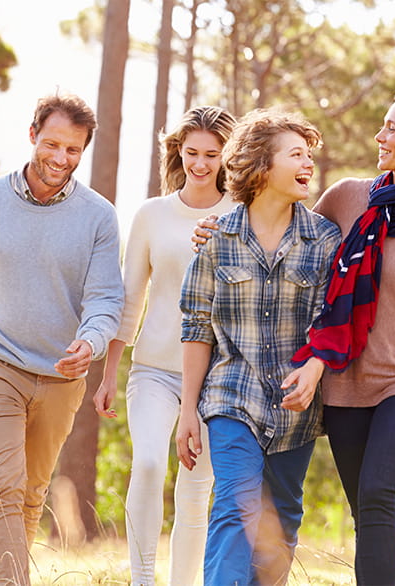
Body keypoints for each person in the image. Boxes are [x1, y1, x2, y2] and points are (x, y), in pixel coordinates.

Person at [192, 88, 395, 584]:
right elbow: (281, 225)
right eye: (383, 124)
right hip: (345, 382)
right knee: (363, 508)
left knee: (377, 493)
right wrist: (217, 228)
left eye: (392, 128)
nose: (380, 135)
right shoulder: (348, 198)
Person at [0, 93, 123, 586]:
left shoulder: (99, 216)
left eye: (73, 149)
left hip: (61, 373)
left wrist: (91, 343)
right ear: (33, 135)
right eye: (52, 144)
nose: (60, 158)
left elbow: (105, 299)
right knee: (3, 486)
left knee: (31, 495)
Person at [173, 108, 343, 586]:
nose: (308, 164)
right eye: (296, 155)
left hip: (296, 407)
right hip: (232, 394)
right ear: (262, 166)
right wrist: (188, 410)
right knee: (235, 502)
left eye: (309, 155)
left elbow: (331, 320)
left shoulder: (323, 240)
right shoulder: (218, 239)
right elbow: (196, 326)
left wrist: (314, 368)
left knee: (282, 519)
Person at [89, 106, 239, 586]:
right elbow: (130, 299)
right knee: (150, 463)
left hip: (217, 375)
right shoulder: (151, 214)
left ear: (226, 157)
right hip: (153, 368)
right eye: (192, 152)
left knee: (195, 491)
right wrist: (109, 375)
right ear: (178, 151)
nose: (200, 164)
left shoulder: (240, 214)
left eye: (212, 155)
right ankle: (142, 579)